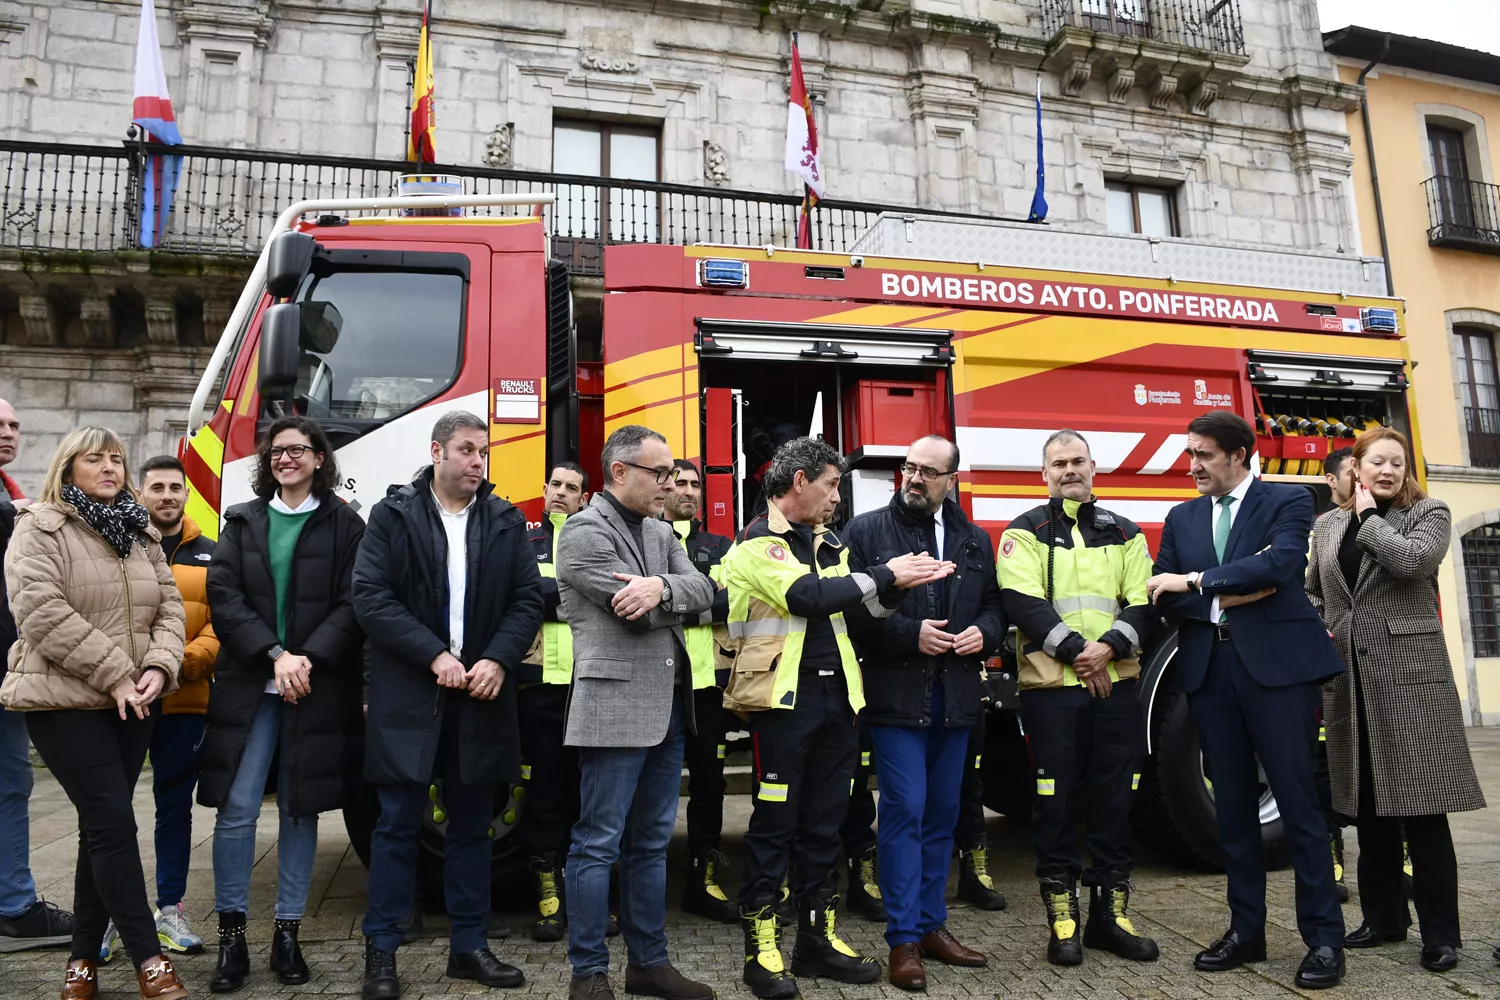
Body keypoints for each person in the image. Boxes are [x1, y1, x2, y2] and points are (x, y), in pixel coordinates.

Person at [720, 436, 952, 1000]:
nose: (837, 500)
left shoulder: (829, 543)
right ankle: (763, 950)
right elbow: (808, 598)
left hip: (838, 704)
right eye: (831, 486)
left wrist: (897, 588)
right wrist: (886, 573)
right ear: (799, 483)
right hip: (784, 707)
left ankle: (817, 942)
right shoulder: (756, 541)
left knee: (825, 826)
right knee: (775, 827)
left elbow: (860, 609)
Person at [1146, 410, 1347, 990]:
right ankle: (1246, 932)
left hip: (1278, 675)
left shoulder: (1285, 501)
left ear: (1238, 454)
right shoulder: (1181, 517)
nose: (1193, 466)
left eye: (1203, 454)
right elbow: (1161, 592)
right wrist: (1223, 594)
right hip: (1211, 671)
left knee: (1300, 808)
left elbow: (1280, 564)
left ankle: (1324, 941)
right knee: (1233, 812)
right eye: (1190, 455)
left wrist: (1199, 581)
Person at [353, 411, 543, 999]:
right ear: (437, 452)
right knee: (396, 827)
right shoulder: (392, 515)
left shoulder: (506, 519)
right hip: (411, 693)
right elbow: (370, 597)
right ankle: (381, 955)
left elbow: (525, 599)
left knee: (470, 829)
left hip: (482, 692)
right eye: (466, 451)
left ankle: (469, 948)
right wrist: (434, 654)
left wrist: (498, 659)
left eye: (483, 453)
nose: (477, 462)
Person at [1, 426, 188, 999]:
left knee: (97, 830)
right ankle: (147, 958)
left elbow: (171, 606)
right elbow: (40, 612)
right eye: (94, 459)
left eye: (116, 459)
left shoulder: (141, 531)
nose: (109, 467)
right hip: (65, 701)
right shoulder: (40, 527)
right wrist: (119, 674)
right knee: (113, 824)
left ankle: (80, 964)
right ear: (68, 466)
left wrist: (159, 666)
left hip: (136, 702)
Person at [1307, 427, 1485, 973]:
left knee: (1423, 811)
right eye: (1376, 462)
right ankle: (1384, 920)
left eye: (1396, 463)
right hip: (1351, 682)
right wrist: (1327, 627)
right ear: (1355, 467)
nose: (1386, 471)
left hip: (1412, 681)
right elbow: (1314, 587)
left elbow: (1409, 564)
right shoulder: (1326, 524)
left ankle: (1441, 935)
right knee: (1367, 811)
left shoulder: (1429, 513)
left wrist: (1367, 518)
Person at [198, 416, 366, 992]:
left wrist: (306, 659)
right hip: (252, 682)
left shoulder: (347, 524)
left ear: (321, 458)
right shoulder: (242, 520)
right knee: (237, 808)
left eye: (299, 449)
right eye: (276, 449)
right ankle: (231, 938)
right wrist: (274, 654)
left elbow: (353, 603)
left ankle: (287, 934)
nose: (285, 458)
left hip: (314, 685)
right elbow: (224, 595)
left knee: (300, 808)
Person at [555, 425, 717, 1000]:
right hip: (613, 705)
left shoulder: (659, 530)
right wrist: (663, 597)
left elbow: (705, 591)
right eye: (660, 474)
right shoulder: (580, 532)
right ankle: (588, 973)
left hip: (669, 707)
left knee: (650, 843)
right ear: (620, 472)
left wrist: (660, 589)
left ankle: (649, 964)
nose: (670, 484)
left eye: (672, 473)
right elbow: (634, 614)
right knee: (597, 843)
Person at [845, 435, 1002, 990]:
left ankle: (934, 927)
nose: (915, 478)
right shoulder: (865, 532)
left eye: (929, 472)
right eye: (909, 468)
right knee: (904, 811)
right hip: (894, 699)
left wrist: (984, 632)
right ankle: (904, 939)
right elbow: (851, 612)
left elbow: (993, 607)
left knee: (942, 815)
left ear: (950, 481)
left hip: (955, 700)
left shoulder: (973, 538)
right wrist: (913, 634)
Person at [997, 430, 1158, 967]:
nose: (1069, 469)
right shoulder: (1024, 533)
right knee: (1057, 802)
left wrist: (1107, 649)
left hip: (1115, 687)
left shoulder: (1127, 533)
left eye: (1078, 461)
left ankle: (1109, 919)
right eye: (1058, 463)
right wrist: (1081, 655)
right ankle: (1062, 919)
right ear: (1044, 474)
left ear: (1095, 468)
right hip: (1054, 693)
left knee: (1115, 801)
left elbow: (1143, 603)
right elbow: (1022, 603)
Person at [0, 398, 78, 953]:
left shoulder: (10, 501)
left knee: (12, 785)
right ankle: (15, 906)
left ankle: (14, 903)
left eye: (13, 424)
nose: (8, 433)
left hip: (5, 674)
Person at [137, 456, 219, 956]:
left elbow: (221, 621)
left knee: (174, 807)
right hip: (124, 701)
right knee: (107, 814)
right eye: (157, 487)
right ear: (141, 493)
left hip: (185, 701)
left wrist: (183, 662)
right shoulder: (119, 545)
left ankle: (170, 910)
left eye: (175, 487)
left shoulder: (212, 553)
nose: (167, 495)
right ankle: (106, 914)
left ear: (187, 494)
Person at [663, 459, 738, 924]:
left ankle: (702, 879)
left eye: (695, 484)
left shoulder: (721, 545)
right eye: (680, 483)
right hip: (660, 685)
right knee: (655, 787)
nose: (689, 491)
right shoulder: (645, 539)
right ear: (663, 487)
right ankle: (642, 883)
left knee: (710, 786)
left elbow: (732, 601)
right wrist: (698, 600)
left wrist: (670, 602)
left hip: (708, 687)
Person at [518, 461, 590, 942]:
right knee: (543, 790)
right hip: (538, 683)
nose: (562, 493)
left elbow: (604, 594)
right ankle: (549, 893)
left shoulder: (592, 539)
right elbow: (521, 593)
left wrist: (552, 597)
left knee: (587, 794)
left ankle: (587, 897)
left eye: (573, 488)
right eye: (556, 485)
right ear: (543, 491)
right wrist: (572, 596)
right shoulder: (524, 543)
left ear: (585, 498)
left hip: (589, 683)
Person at [1318, 446, 1355, 904]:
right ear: (1332, 480)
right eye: (1352, 472)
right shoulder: (1319, 530)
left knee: (1390, 760)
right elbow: (1306, 589)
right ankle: (1332, 858)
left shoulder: (1385, 519)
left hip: (1375, 664)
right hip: (1327, 667)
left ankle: (1403, 855)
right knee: (1321, 767)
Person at [952, 716, 1007, 911]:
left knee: (970, 785)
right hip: (917, 704)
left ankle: (974, 874)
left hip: (967, 700)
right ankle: (913, 883)